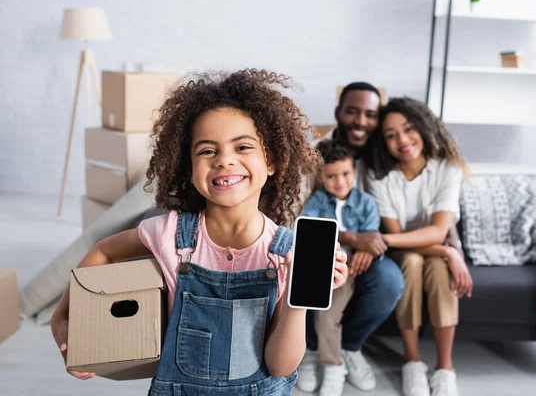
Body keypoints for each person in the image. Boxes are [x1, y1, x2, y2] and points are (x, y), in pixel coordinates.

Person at [50, 69, 349, 396]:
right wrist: (66, 317)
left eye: (243, 147)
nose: (225, 161)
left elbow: (280, 366)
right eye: (208, 151)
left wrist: (298, 294)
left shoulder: (287, 253)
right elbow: (104, 252)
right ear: (189, 170)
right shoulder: (170, 233)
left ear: (272, 161)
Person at [296, 83, 405, 393]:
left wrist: (367, 247)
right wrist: (352, 238)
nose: (361, 121)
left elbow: (379, 222)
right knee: (306, 280)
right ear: (338, 114)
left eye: (370, 114)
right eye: (353, 111)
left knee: (390, 281)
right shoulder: (315, 156)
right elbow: (301, 220)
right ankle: (310, 349)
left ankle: (349, 348)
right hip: (322, 250)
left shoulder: (384, 156)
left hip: (367, 254)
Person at [364, 97, 473, 396]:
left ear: (423, 127)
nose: (402, 140)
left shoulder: (447, 169)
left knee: (439, 269)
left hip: (429, 246)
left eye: (408, 129)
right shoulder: (379, 174)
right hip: (406, 250)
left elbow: (439, 231)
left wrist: (448, 251)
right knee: (411, 262)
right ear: (383, 141)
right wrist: (447, 251)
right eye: (391, 135)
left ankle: (444, 367)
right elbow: (398, 233)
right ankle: (412, 361)